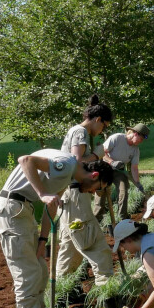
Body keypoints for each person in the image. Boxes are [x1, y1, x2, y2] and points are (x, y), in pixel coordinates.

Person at [0, 150, 114, 308]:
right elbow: (26, 159)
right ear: (94, 176)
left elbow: (51, 208)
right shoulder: (66, 164)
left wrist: (43, 239)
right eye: (96, 189)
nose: (92, 193)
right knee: (28, 274)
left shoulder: (67, 176)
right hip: (12, 211)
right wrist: (42, 193)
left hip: (23, 211)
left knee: (40, 271)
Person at [57, 95, 113, 282]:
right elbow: (76, 161)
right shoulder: (80, 132)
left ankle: (62, 289)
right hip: (76, 193)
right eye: (104, 125)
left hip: (69, 193)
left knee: (70, 245)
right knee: (94, 243)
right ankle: (106, 286)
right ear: (98, 120)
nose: (101, 130)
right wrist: (97, 155)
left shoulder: (77, 131)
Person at [95, 123, 150, 222]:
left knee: (123, 190)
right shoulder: (117, 138)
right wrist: (112, 162)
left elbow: (134, 167)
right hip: (104, 167)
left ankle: (122, 218)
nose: (141, 142)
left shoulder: (135, 149)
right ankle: (97, 218)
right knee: (101, 193)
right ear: (135, 134)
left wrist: (137, 183)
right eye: (141, 139)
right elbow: (101, 153)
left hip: (119, 170)